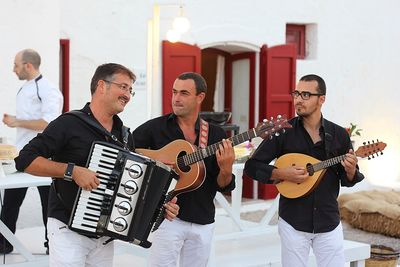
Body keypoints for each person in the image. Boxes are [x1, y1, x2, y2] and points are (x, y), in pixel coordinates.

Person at [14, 63, 179, 266]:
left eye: (130, 90)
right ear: (102, 85)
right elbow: (25, 160)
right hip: (67, 230)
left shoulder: (125, 136)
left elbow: (132, 190)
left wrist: (160, 208)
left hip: (104, 237)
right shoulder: (68, 123)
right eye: (123, 87)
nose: (128, 95)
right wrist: (71, 171)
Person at [244, 74, 365, 267]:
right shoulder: (283, 131)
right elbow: (252, 166)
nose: (298, 99)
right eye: (296, 93)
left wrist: (350, 170)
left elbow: (347, 178)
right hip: (293, 221)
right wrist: (281, 174)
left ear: (321, 99)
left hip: (328, 221)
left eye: (306, 94)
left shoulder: (339, 134)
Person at [133, 72, 236, 267]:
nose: (176, 98)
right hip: (166, 219)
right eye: (174, 92)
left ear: (200, 97)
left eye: (184, 93)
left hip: (203, 219)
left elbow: (224, 186)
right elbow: (129, 153)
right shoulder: (154, 129)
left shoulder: (215, 134)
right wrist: (158, 163)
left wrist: (226, 168)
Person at [1, 49, 63, 254]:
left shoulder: (48, 89)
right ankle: (4, 243)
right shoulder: (25, 88)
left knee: (48, 203)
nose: (13, 69)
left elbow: (49, 123)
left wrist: (16, 121)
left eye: (16, 65)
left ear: (28, 65)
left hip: (42, 156)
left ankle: (51, 245)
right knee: (10, 202)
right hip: (20, 155)